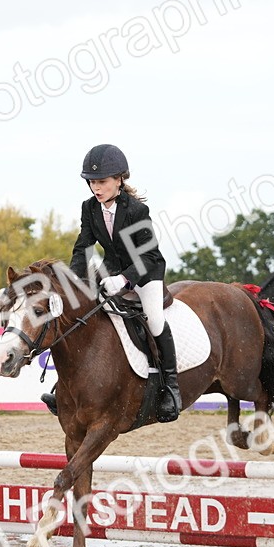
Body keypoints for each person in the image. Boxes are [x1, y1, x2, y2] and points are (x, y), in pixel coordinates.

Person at [68, 143, 179, 423]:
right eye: (92, 182)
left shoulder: (137, 211)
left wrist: (126, 279)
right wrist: (73, 281)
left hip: (145, 272)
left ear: (120, 179)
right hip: (111, 270)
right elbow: (83, 247)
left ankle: (171, 388)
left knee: (154, 320)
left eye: (102, 181)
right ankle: (66, 388)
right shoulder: (89, 208)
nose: (96, 187)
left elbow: (150, 255)